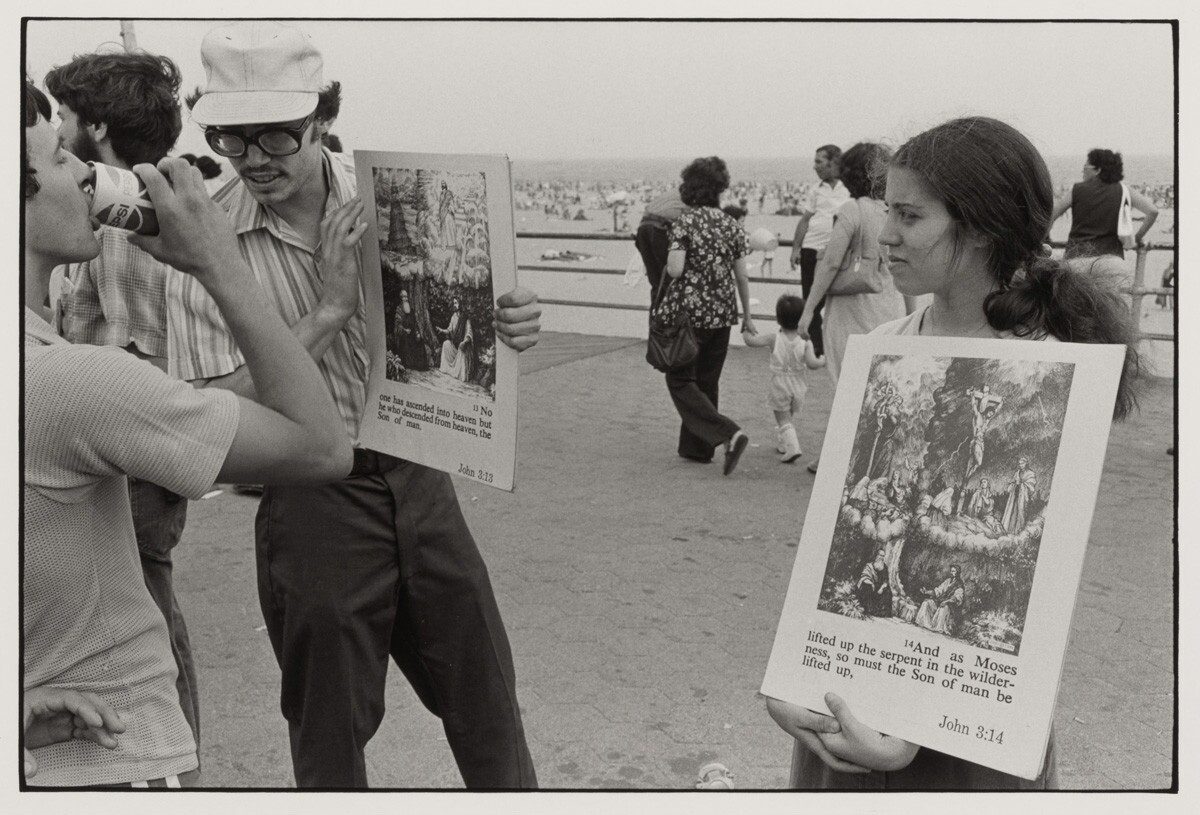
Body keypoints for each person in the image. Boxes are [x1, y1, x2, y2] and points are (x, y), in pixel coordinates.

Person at [167, 21, 540, 788]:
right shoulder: (203, 234)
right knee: (330, 728)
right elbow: (207, 408)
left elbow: (460, 324)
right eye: (232, 140)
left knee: (488, 700)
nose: (255, 160)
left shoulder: (399, 197)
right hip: (309, 494)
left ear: (322, 119)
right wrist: (329, 312)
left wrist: (509, 321)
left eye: (277, 137)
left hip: (420, 472)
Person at [766, 116, 1138, 790]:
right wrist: (796, 674)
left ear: (984, 225)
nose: (886, 235)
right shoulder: (891, 343)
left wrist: (911, 718)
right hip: (852, 709)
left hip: (970, 741)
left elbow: (1026, 593)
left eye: (909, 216)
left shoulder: (1055, 372)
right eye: (888, 211)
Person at [23, 79, 351, 786]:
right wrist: (219, 261)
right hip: (115, 755)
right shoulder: (67, 382)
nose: (84, 170)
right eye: (55, 158)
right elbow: (321, 445)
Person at [44, 50, 204, 749]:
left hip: (137, 446)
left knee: (146, 612)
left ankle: (172, 752)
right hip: (109, 437)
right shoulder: (114, 206)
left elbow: (156, 352)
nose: (59, 133)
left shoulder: (145, 214)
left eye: (67, 119)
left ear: (98, 128)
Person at [798, 143, 910, 474]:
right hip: (889, 307)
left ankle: (840, 457)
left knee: (847, 386)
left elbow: (831, 263)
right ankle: (870, 456)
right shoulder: (894, 212)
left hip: (850, 311)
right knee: (881, 387)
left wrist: (808, 311)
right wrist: (909, 313)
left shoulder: (852, 210)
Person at [651, 156, 755, 475]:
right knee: (707, 380)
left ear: (691, 187)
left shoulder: (687, 222)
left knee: (680, 378)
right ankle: (697, 450)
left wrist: (672, 252)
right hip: (723, 313)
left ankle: (728, 434)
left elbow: (675, 268)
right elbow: (741, 276)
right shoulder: (731, 224)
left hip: (690, 315)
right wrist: (747, 315)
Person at [741, 292, 825, 463]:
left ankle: (793, 448)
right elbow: (812, 364)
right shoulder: (805, 342)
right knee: (789, 415)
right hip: (799, 385)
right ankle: (783, 442)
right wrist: (822, 360)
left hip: (780, 384)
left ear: (778, 319)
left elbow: (752, 342)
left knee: (782, 417)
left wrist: (745, 330)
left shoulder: (774, 338)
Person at [789, 145, 850, 359]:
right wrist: (796, 247)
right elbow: (805, 219)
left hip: (838, 251)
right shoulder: (816, 189)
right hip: (811, 248)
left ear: (833, 162)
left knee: (834, 298)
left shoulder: (849, 188)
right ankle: (816, 348)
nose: (814, 166)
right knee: (810, 299)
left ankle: (836, 345)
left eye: (819, 162)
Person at [1051, 148, 1158, 259]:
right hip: (1111, 259)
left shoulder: (1077, 189)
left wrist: (1043, 239)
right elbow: (1153, 211)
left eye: (1085, 167)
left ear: (1098, 170)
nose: (1082, 171)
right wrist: (1137, 238)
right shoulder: (1123, 189)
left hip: (1078, 257)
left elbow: (1053, 213)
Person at [635, 188, 687, 309]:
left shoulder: (673, 194)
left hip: (643, 229)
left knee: (656, 283)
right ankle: (668, 321)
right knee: (670, 283)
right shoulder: (694, 197)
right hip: (660, 230)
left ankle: (656, 323)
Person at [914, 565, 965, 634]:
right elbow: (938, 590)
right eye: (951, 571)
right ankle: (922, 622)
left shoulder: (959, 584)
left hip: (950, 608)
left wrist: (946, 601)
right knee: (926, 602)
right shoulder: (948, 581)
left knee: (943, 608)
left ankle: (938, 628)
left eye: (953, 571)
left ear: (957, 572)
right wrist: (926, 592)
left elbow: (956, 598)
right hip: (940, 602)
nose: (951, 572)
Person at [437, 297, 476, 381]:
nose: (455, 305)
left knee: (462, 349)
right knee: (446, 344)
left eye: (456, 303)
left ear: (460, 304)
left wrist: (464, 342)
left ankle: (459, 375)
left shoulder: (465, 318)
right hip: (455, 344)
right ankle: (446, 369)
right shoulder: (453, 317)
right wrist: (441, 330)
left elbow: (469, 333)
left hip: (463, 346)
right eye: (454, 303)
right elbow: (449, 330)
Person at [393, 289, 429, 371]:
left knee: (420, 341)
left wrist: (417, 332)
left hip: (412, 333)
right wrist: (405, 330)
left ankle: (420, 366)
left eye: (406, 296)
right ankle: (409, 364)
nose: (406, 299)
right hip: (404, 334)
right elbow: (397, 325)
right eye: (404, 297)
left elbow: (415, 323)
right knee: (406, 341)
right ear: (401, 298)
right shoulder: (399, 309)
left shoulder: (411, 310)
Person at [1001, 456, 1037, 534]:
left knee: (1021, 512)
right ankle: (1010, 530)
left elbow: (1031, 486)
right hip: (1015, 495)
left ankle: (1020, 530)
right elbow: (1014, 481)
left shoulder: (1030, 473)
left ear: (1026, 464)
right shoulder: (1017, 473)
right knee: (1013, 512)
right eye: (1019, 464)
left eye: (1022, 464)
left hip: (1023, 497)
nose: (1020, 465)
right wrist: (1013, 484)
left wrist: (1021, 484)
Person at [855, 548, 892, 617]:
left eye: (883, 556)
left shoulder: (885, 567)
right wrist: (870, 583)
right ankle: (867, 609)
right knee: (867, 587)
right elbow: (865, 576)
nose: (881, 557)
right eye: (880, 555)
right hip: (871, 585)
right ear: (876, 555)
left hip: (880, 587)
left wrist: (882, 588)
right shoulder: (869, 565)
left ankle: (881, 612)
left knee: (888, 591)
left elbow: (886, 580)